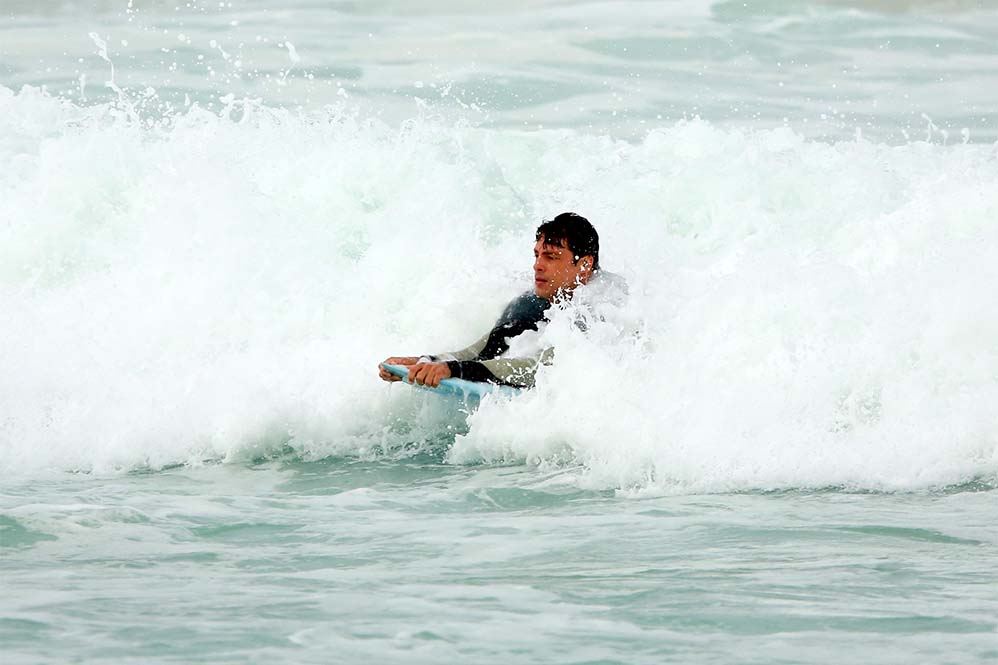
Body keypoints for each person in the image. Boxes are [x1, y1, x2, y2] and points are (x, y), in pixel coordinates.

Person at [378, 212, 625, 388]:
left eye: (551, 257)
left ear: (584, 266)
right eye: (537, 255)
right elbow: (483, 351)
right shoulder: (537, 298)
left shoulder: (602, 309)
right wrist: (428, 361)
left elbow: (542, 369)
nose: (537, 266)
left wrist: (457, 371)